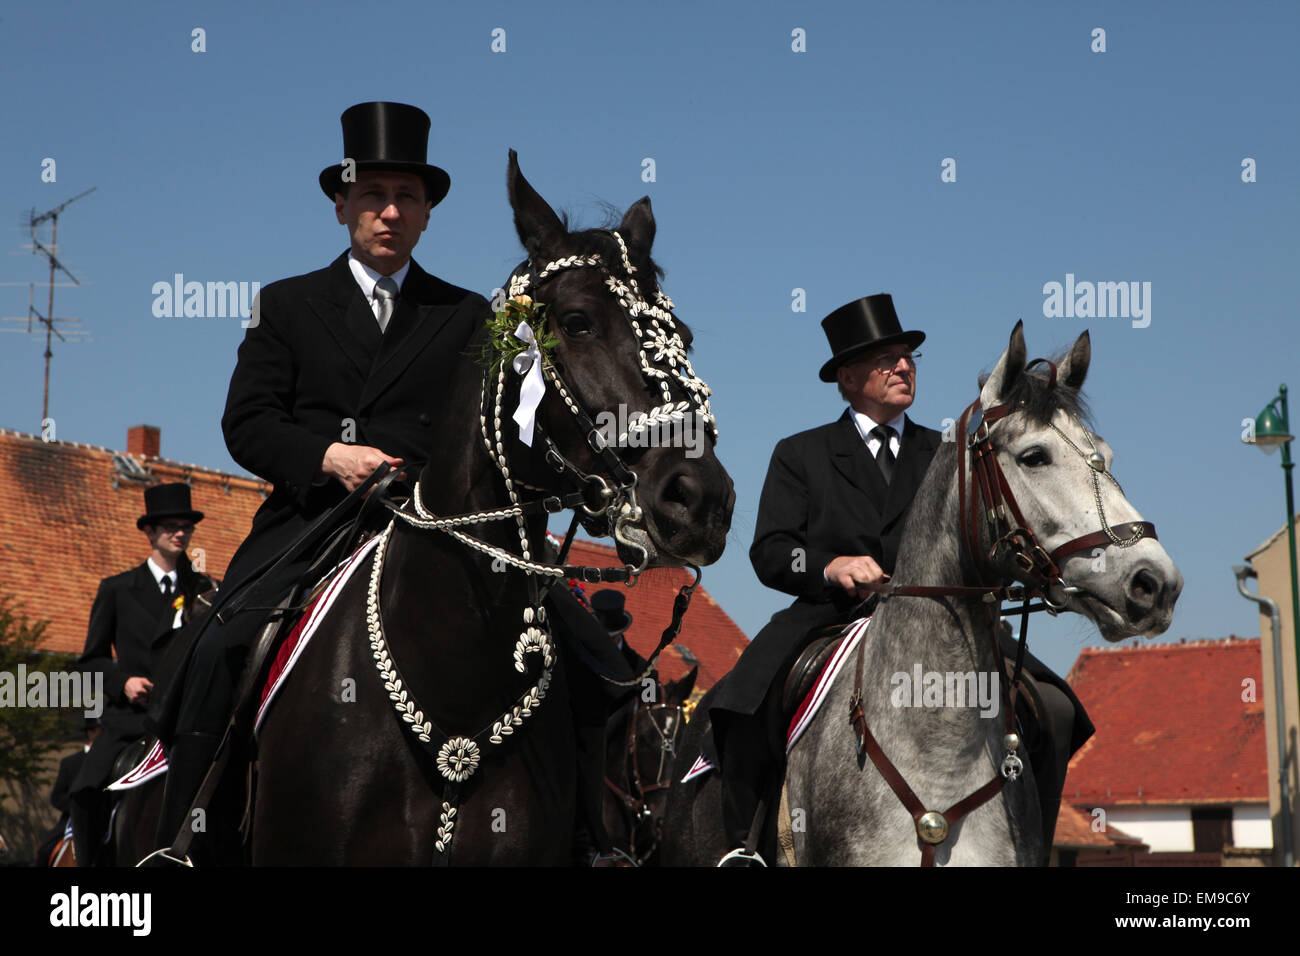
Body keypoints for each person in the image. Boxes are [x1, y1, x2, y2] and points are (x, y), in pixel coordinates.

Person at [153, 102, 491, 856]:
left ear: (430, 212)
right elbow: (247, 423)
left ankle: (596, 834)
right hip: (308, 522)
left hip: (431, 525)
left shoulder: (468, 315)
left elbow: (485, 437)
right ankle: (182, 839)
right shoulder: (285, 303)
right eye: (371, 196)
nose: (389, 211)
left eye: (407, 197)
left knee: (573, 643)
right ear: (341, 205)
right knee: (214, 650)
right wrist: (330, 457)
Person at [710, 294, 1091, 863]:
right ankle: (742, 846)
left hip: (945, 623)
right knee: (742, 701)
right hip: (832, 618)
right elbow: (771, 553)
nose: (904, 367)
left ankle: (1031, 844)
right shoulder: (801, 453)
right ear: (846, 376)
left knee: (1057, 710)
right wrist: (829, 567)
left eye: (908, 357)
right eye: (886, 358)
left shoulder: (946, 453)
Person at [70, 482, 214, 865]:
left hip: (184, 720)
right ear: (150, 532)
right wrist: (124, 682)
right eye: (170, 526)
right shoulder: (116, 590)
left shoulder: (205, 591)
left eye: (186, 526)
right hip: (130, 721)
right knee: (84, 791)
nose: (180, 533)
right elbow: (91, 660)